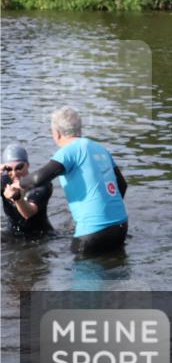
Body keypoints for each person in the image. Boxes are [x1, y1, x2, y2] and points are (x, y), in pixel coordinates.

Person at [16, 107, 129, 255]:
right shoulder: (101, 148)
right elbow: (122, 185)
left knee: (82, 275)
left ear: (56, 133)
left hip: (92, 232)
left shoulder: (68, 151)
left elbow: (38, 179)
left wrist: (17, 185)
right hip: (120, 226)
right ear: (79, 129)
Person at [1, 143, 54, 236]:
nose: (14, 173)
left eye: (19, 167)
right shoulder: (4, 183)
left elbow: (28, 213)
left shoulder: (40, 185)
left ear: (27, 165)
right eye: (9, 169)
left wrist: (17, 197)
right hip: (12, 234)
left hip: (39, 237)